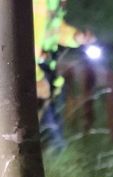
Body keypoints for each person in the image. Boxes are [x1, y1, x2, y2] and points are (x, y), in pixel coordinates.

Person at [33, 0, 93, 150]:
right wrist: (37, 78)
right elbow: (18, 35)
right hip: (32, 69)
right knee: (48, 130)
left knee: (50, 122)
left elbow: (55, 28)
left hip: (45, 67)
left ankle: (54, 157)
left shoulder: (53, 3)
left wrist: (75, 37)